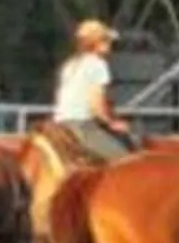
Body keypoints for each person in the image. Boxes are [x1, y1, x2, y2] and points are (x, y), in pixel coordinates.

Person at [49, 19, 134, 162]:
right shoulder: (97, 65)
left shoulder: (70, 65)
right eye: (106, 40)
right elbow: (96, 107)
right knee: (127, 161)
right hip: (82, 125)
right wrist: (112, 123)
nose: (110, 45)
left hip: (60, 124)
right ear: (96, 42)